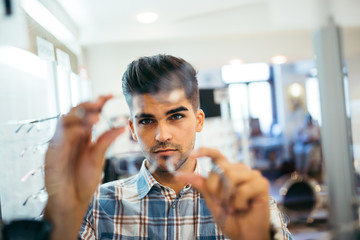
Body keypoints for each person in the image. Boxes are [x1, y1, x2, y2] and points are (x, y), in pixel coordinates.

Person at [44, 54, 292, 239]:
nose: (162, 135)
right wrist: (61, 216)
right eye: (147, 120)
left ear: (198, 121)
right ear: (132, 128)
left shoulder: (245, 205)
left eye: (175, 116)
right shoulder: (96, 208)